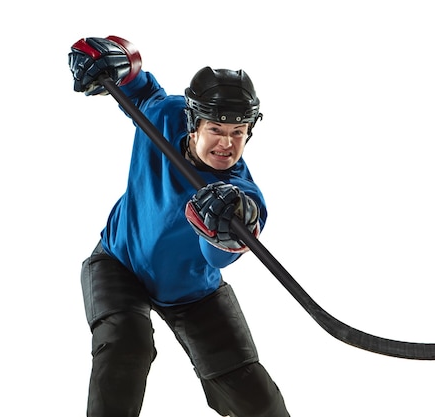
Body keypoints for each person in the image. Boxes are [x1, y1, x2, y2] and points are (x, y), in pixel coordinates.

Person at [68, 36, 290, 417]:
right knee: (125, 346)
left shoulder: (241, 197)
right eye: (216, 129)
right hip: (119, 264)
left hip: (192, 293)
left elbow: (220, 258)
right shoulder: (165, 116)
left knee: (257, 399)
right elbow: (139, 88)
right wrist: (114, 61)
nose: (227, 143)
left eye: (238, 132)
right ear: (192, 123)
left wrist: (225, 223)